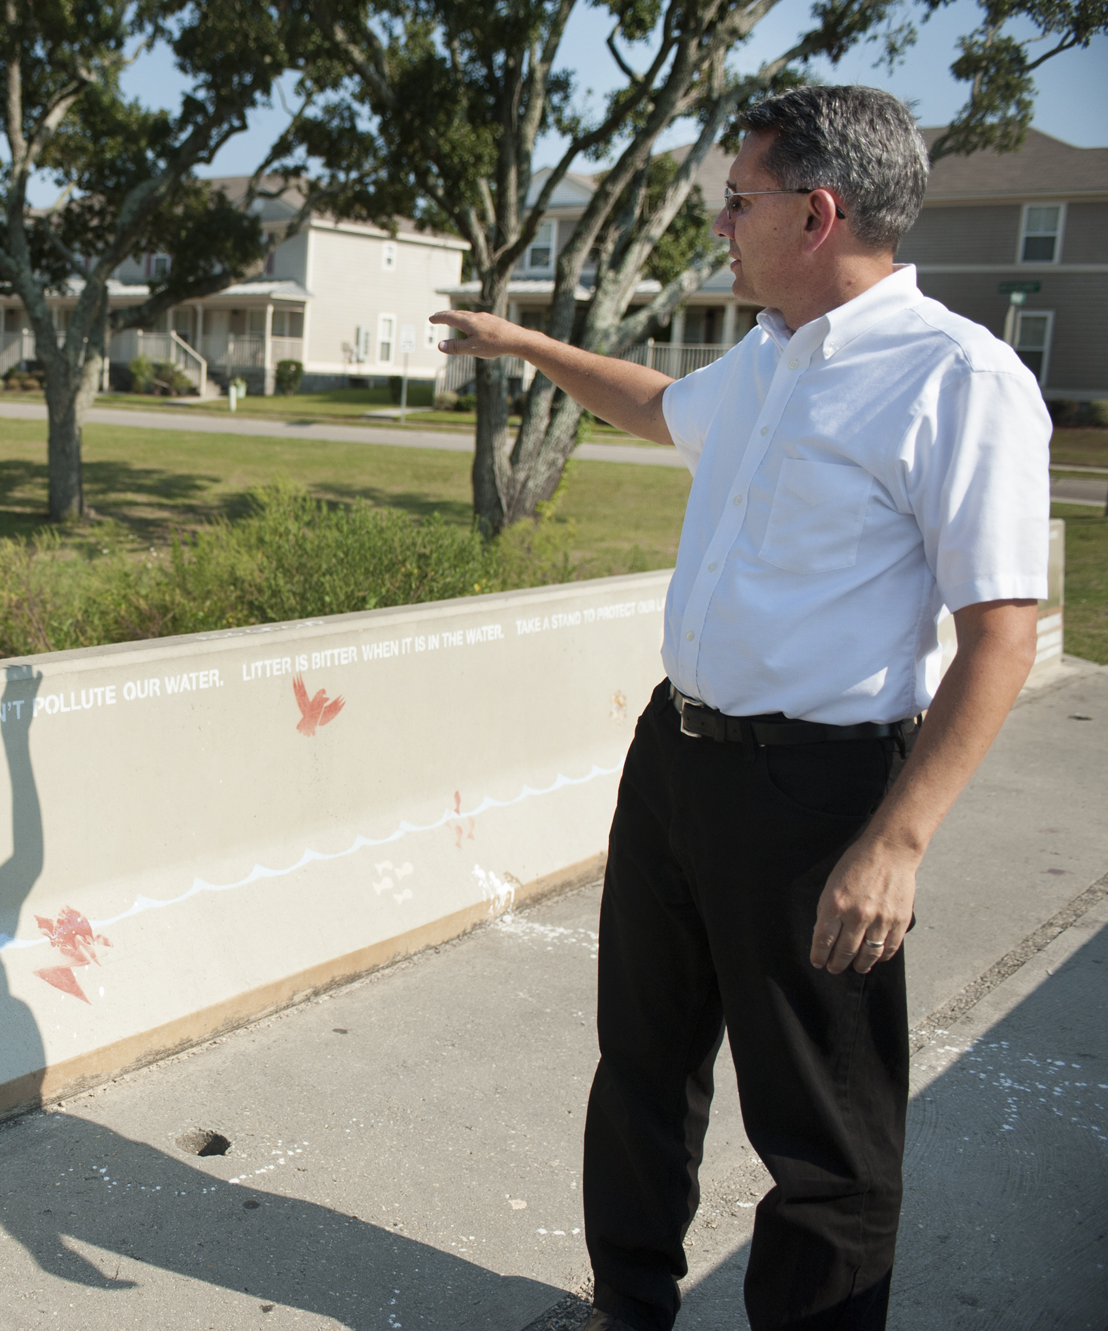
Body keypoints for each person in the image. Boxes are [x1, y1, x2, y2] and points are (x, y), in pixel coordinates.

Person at [431, 85, 1049, 1330]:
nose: (720, 221)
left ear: (815, 213)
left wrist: (895, 840)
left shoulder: (953, 379)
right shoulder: (767, 355)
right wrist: (526, 345)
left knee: (821, 1133)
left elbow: (999, 634)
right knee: (641, 1065)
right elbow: (658, 407)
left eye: (736, 197)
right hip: (678, 759)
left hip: (816, 796)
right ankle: (629, 1305)